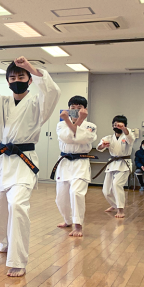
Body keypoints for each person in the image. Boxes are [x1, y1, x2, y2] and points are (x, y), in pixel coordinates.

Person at [0, 58, 61, 278]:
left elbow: (52, 91)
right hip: (2, 162)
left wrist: (30, 67)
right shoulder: (0, 101)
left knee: (18, 205)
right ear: (8, 81)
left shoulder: (38, 103)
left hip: (24, 161)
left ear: (30, 80)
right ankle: (5, 242)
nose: (16, 80)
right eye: (12, 77)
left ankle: (18, 260)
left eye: (21, 77)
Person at [53, 96, 98, 238]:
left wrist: (73, 121)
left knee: (76, 193)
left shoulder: (91, 126)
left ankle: (78, 225)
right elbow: (67, 138)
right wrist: (67, 121)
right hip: (64, 162)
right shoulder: (61, 125)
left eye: (79, 108)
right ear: (68, 108)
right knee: (61, 196)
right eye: (73, 108)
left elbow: (80, 138)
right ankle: (67, 220)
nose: (76, 110)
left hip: (81, 162)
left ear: (85, 110)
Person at [97, 116, 136, 219]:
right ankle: (114, 205)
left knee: (116, 184)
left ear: (125, 126)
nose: (116, 126)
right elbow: (99, 146)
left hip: (124, 164)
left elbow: (131, 137)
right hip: (112, 163)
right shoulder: (109, 137)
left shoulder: (127, 135)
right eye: (115, 125)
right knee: (106, 190)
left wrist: (124, 129)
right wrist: (103, 146)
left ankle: (120, 209)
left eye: (119, 125)